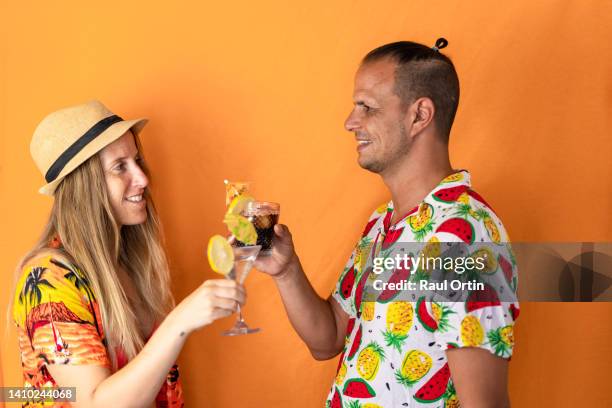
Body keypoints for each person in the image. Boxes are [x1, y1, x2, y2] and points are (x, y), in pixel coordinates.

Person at [255, 39, 519, 407]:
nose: (350, 122)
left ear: (419, 115)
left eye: (367, 107)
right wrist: (285, 271)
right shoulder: (383, 223)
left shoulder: (464, 236)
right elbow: (328, 338)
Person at [12, 100, 245, 407]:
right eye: (120, 166)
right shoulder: (48, 281)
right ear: (86, 186)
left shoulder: (127, 262)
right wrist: (180, 321)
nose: (144, 179)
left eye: (137, 161)